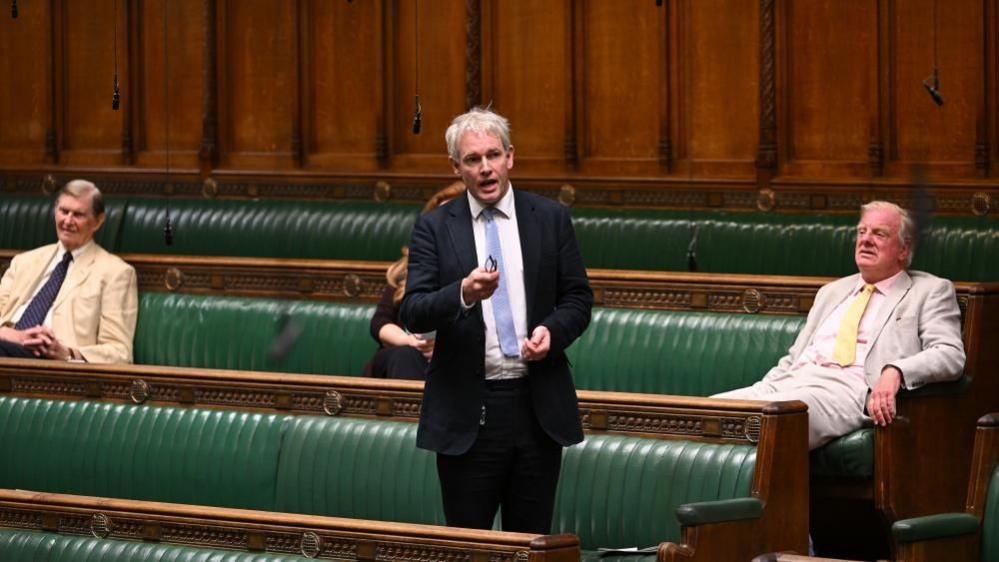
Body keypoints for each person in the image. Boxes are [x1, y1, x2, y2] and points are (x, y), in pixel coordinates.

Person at [400, 108, 593, 534]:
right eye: (472, 160)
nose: (485, 168)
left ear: (510, 157)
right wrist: (462, 294)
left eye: (493, 155)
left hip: (535, 406)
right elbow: (412, 309)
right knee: (470, 548)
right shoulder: (434, 227)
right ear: (456, 167)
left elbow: (578, 298)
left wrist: (552, 333)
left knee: (530, 543)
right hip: (467, 410)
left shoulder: (549, 218)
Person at [714, 201, 965, 449]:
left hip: (847, 390)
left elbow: (950, 355)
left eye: (879, 234)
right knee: (705, 411)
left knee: (774, 418)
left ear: (903, 248)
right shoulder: (831, 292)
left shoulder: (930, 290)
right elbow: (794, 358)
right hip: (793, 381)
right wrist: (764, 388)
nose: (865, 240)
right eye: (861, 231)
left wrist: (895, 371)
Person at [0, 180, 138, 363]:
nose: (67, 221)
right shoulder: (23, 262)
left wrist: (66, 352)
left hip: (56, 364)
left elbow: (120, 352)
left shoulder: (116, 273)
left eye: (78, 215)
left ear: (98, 221)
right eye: (64, 211)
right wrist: (15, 336)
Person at [364, 181, 466, 379]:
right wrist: (410, 341)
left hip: (454, 364)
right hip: (403, 357)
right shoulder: (409, 267)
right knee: (406, 357)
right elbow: (379, 322)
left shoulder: (483, 271)